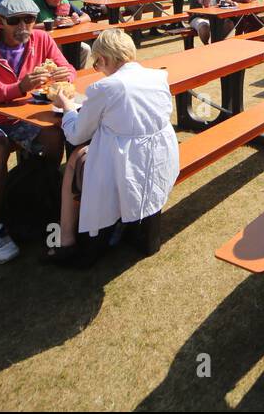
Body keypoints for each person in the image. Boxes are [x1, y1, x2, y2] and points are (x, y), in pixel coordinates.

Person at [0, 0, 76, 264]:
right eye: (14, 21)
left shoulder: (42, 39)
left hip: (20, 116)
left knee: (54, 134)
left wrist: (64, 75)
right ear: (0, 22)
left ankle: (36, 192)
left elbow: (68, 68)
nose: (23, 26)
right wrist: (18, 88)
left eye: (29, 19)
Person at [49, 28, 178, 265]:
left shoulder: (105, 88)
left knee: (75, 160)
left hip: (127, 165)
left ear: (105, 59)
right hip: (160, 158)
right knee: (83, 156)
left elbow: (77, 134)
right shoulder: (158, 76)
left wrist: (66, 106)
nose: (98, 70)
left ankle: (66, 240)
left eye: (97, 64)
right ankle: (117, 226)